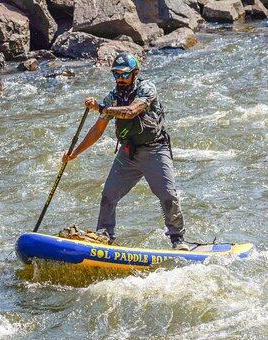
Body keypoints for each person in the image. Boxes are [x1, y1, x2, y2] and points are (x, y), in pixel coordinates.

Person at [62, 52, 189, 251]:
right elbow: (97, 129)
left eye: (124, 74)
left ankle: (177, 239)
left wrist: (102, 108)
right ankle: (104, 236)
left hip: (155, 150)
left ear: (135, 73)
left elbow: (131, 111)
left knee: (167, 196)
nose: (120, 79)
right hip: (128, 154)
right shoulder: (113, 97)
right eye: (116, 74)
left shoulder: (147, 88)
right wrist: (75, 153)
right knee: (108, 196)